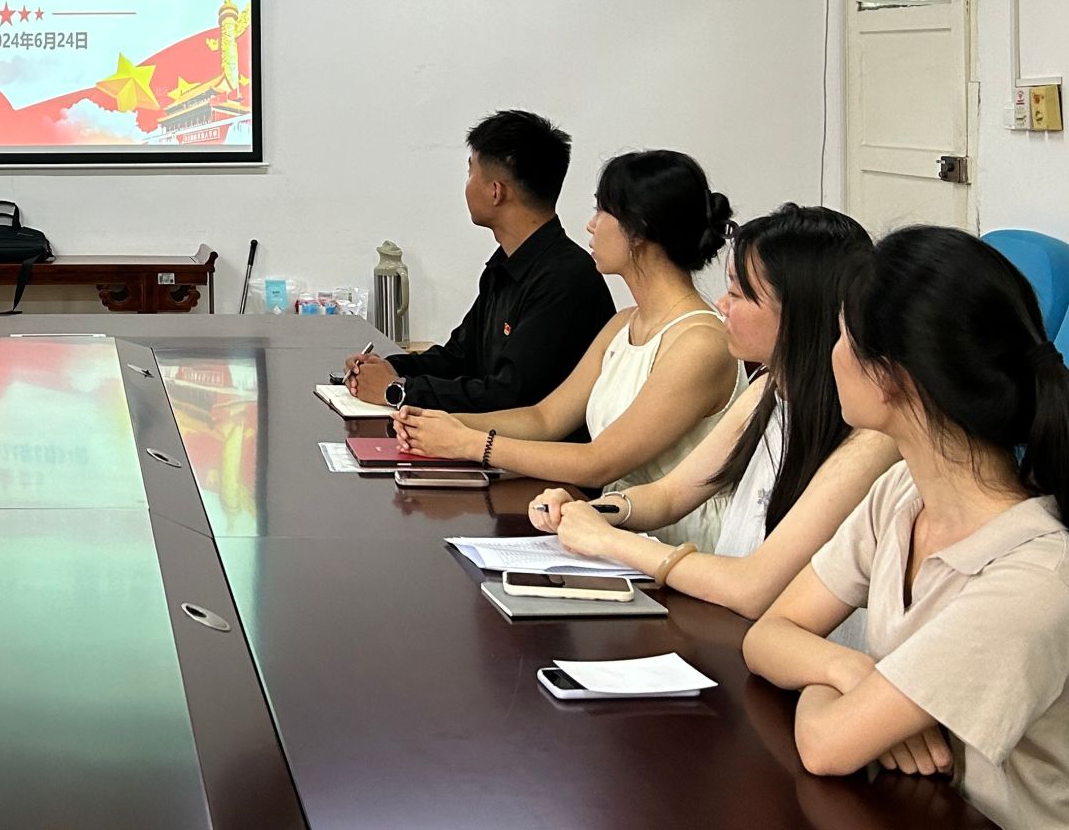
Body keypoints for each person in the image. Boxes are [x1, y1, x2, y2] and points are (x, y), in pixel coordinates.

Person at [744, 227, 1069, 828]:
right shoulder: (901, 493)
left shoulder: (1034, 576)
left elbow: (827, 745)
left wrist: (848, 696)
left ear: (890, 377)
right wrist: (850, 671)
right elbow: (767, 635)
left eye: (843, 337)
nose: (832, 354)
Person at [527, 204, 897, 619]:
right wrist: (588, 513)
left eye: (738, 294)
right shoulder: (769, 388)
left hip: (782, 641)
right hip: (733, 626)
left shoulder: (870, 438)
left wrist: (609, 540)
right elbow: (669, 495)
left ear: (798, 313)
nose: (721, 304)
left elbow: (751, 586)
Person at [394, 149, 748, 549]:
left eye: (602, 211)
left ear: (639, 230)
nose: (591, 225)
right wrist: (437, 424)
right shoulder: (623, 324)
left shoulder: (699, 342)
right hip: (614, 527)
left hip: (681, 543)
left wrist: (468, 443)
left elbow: (599, 462)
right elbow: (545, 418)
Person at [344, 110, 612, 411]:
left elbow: (509, 396)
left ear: (496, 191)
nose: (467, 184)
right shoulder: (504, 266)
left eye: (471, 172)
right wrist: (390, 368)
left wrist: (397, 391)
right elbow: (459, 358)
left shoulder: (564, 279)